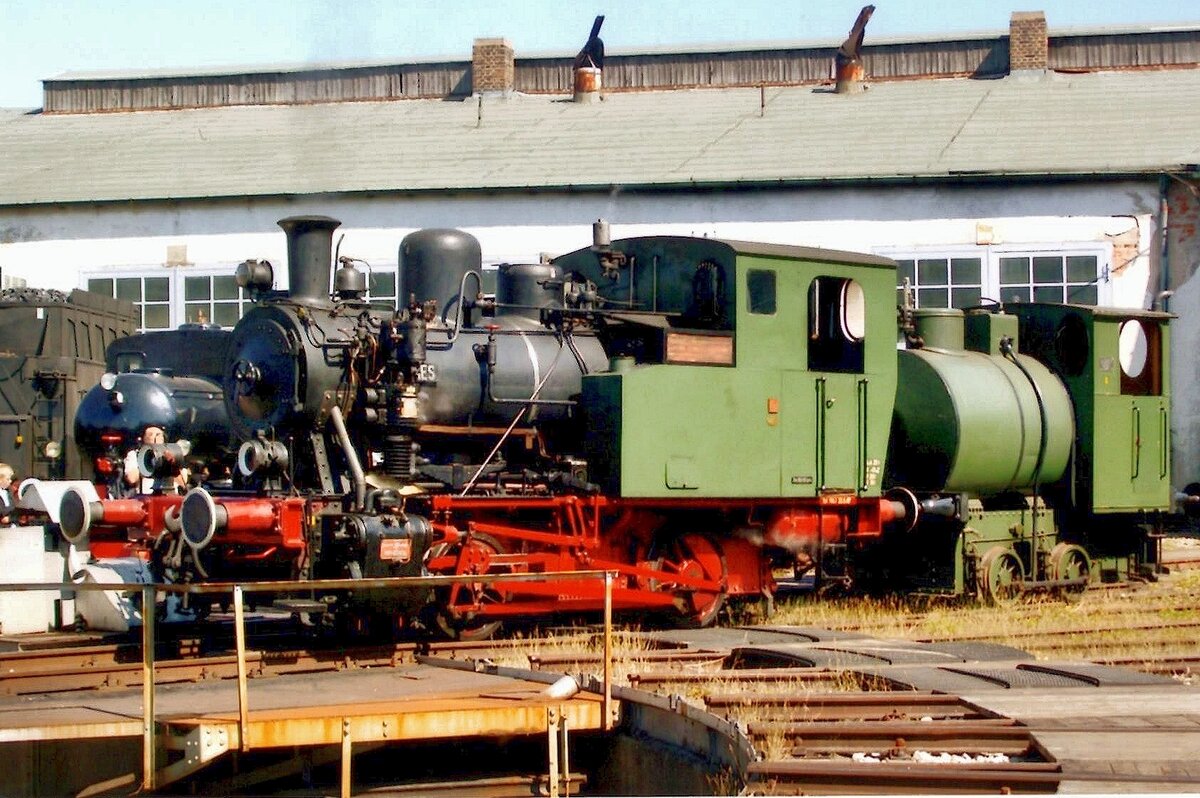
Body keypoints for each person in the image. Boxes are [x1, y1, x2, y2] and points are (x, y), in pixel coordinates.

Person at [124, 426, 188, 494]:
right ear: (144, 438)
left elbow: (183, 482)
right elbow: (131, 479)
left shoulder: (171, 454)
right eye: (151, 434)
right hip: (146, 497)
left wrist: (171, 463)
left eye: (159, 434)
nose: (156, 438)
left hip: (170, 496)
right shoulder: (135, 454)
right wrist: (147, 462)